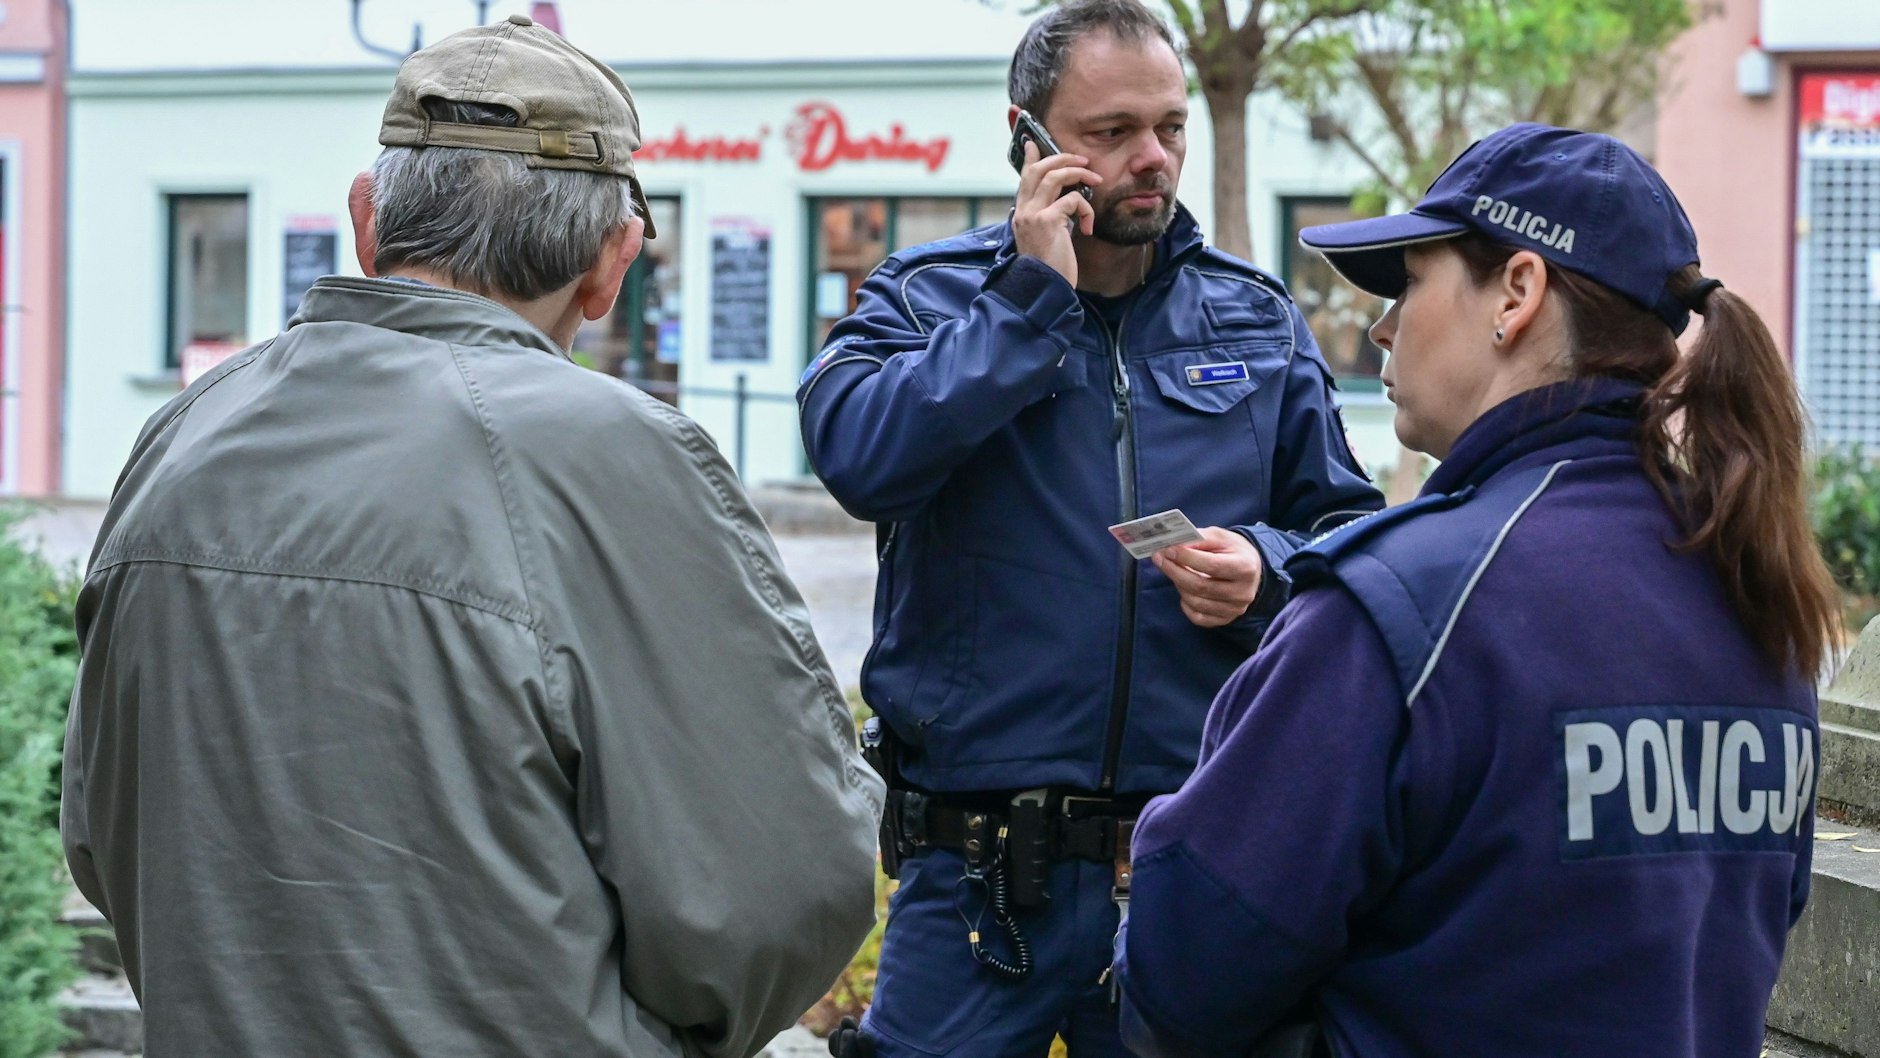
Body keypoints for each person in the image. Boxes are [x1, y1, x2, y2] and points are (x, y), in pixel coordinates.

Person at [60, 17, 882, 1058]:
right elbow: (778, 889)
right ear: (608, 262)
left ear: (366, 222)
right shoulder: (614, 458)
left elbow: (101, 831)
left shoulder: (184, 432)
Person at [1115, 122, 1839, 1058]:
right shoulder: (1756, 594)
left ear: (1518, 294)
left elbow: (1181, 984)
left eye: (1412, 282)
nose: (1381, 325)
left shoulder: (1395, 606)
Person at [797, 2, 1384, 1054]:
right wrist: (1024, 304)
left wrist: (1270, 569)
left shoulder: (1252, 317)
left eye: (1169, 128)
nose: (1150, 158)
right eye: (1110, 133)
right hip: (975, 882)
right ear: (1026, 137)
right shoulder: (929, 302)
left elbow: (1353, 539)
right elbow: (857, 459)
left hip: (1192, 867)